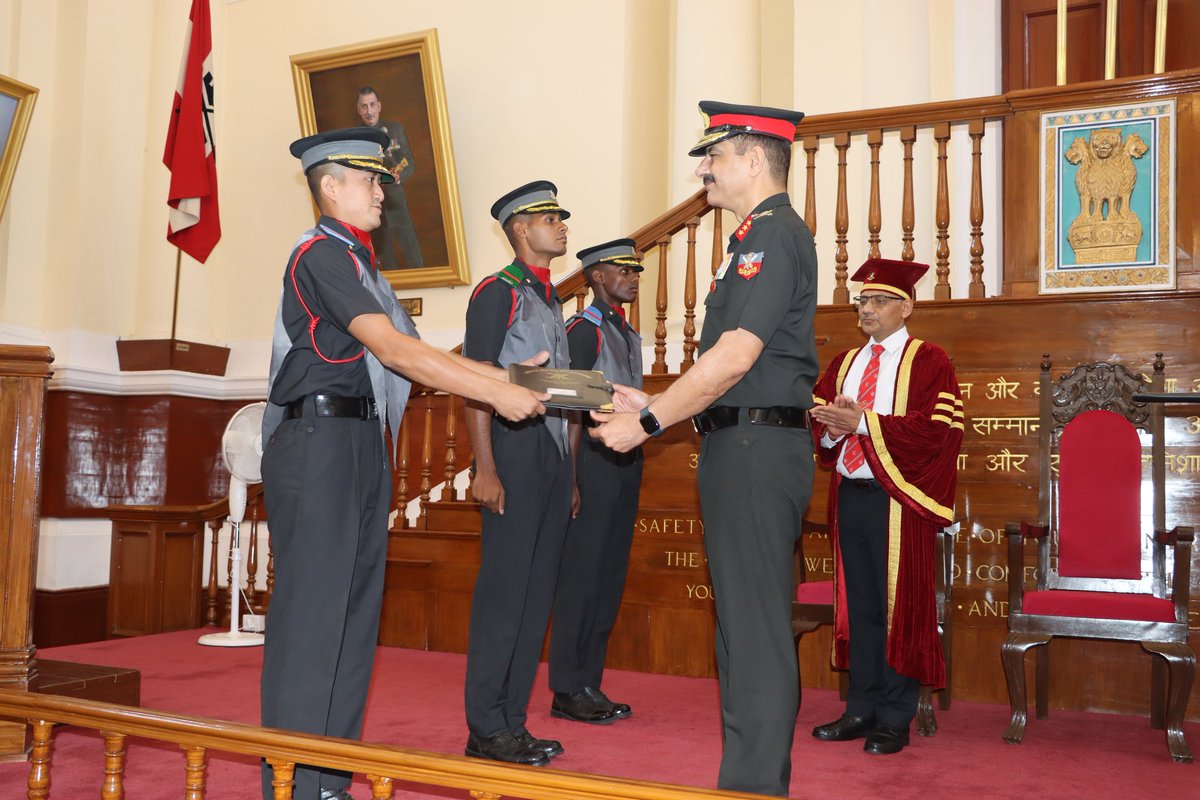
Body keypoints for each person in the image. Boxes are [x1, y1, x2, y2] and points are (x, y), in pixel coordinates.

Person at [260, 128, 546, 800]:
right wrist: (497, 392)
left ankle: (328, 779)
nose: (383, 189)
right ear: (331, 187)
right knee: (313, 621)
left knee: (355, 617)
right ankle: (293, 784)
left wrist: (506, 373)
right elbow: (395, 352)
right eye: (369, 179)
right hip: (317, 445)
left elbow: (427, 357)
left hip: (360, 443)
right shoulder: (320, 256)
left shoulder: (363, 268)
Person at [590, 101, 815, 797]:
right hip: (742, 442)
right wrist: (646, 400)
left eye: (713, 157)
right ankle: (746, 782)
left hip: (754, 448)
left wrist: (649, 423)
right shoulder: (755, 237)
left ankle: (752, 789)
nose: (702, 169)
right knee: (742, 632)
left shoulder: (772, 237)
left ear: (753, 159)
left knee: (753, 634)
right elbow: (726, 365)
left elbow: (736, 357)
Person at [808, 258, 963, 756]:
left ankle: (895, 717)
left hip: (900, 502)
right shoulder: (846, 363)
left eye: (878, 301)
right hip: (850, 495)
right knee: (861, 609)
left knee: (901, 611)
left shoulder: (929, 360)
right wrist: (831, 429)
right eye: (862, 302)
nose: (866, 311)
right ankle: (861, 708)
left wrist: (864, 425)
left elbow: (938, 433)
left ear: (907, 306)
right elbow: (823, 422)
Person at [462, 180, 575, 767]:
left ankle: (511, 722)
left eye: (561, 216)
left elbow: (558, 390)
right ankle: (485, 726)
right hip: (511, 451)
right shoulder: (496, 293)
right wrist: (485, 467)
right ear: (518, 227)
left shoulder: (551, 299)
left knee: (535, 598)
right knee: (505, 595)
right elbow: (475, 382)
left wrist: (571, 474)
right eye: (548, 216)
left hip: (550, 455)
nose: (561, 224)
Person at [548, 239, 644, 725]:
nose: (631, 276)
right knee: (582, 578)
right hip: (592, 462)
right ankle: (567, 688)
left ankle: (590, 682)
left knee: (608, 577)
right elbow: (567, 407)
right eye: (620, 269)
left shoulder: (627, 332)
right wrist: (571, 477)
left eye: (635, 270)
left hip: (626, 462)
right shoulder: (582, 331)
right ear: (595, 277)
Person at [355, 86, 423, 269]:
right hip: (373, 205)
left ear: (379, 106)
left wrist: (400, 175)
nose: (369, 111)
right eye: (364, 106)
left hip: (396, 201)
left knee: (412, 254)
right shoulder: (355, 137)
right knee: (386, 259)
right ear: (358, 109)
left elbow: (410, 162)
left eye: (372, 105)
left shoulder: (395, 129)